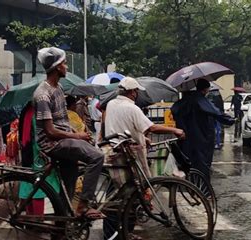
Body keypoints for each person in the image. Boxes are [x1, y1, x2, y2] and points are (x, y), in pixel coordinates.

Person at [34, 47, 104, 220]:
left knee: (68, 187)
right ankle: (83, 205)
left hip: (63, 141)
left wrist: (77, 132)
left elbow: (62, 122)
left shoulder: (57, 89)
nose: (66, 67)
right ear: (57, 67)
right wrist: (77, 137)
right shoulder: (43, 95)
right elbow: (50, 131)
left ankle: (60, 234)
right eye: (64, 63)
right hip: (53, 144)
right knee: (97, 157)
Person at [105, 77, 186, 177]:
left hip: (112, 147)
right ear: (133, 92)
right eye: (137, 91)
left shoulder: (110, 104)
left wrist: (143, 138)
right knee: (144, 181)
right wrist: (175, 130)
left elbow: (122, 125)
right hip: (128, 151)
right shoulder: (132, 108)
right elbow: (152, 128)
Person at [171, 79, 235, 180]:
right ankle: (203, 190)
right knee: (202, 164)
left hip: (186, 137)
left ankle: (191, 186)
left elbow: (174, 111)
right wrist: (231, 120)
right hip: (202, 137)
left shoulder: (184, 101)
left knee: (189, 163)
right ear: (206, 90)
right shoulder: (201, 101)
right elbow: (217, 113)